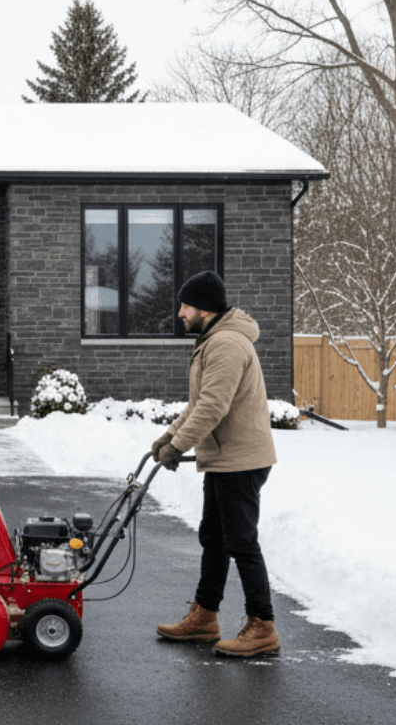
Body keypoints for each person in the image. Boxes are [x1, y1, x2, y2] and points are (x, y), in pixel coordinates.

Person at [151, 270, 280, 658]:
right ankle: (205, 616)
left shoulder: (225, 344)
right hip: (225, 459)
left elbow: (213, 406)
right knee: (215, 538)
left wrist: (178, 446)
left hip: (240, 460)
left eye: (184, 305)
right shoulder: (213, 340)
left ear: (203, 308)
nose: (179, 314)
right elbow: (198, 403)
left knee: (241, 542)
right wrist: (168, 438)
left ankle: (262, 626)